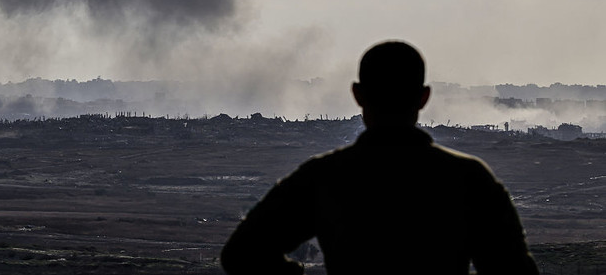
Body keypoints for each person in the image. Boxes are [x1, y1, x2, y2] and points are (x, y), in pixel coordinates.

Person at [221, 41, 539, 275]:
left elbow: (241, 254)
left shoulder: (324, 177)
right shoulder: (469, 178)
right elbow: (513, 272)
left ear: (357, 94)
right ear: (424, 97)